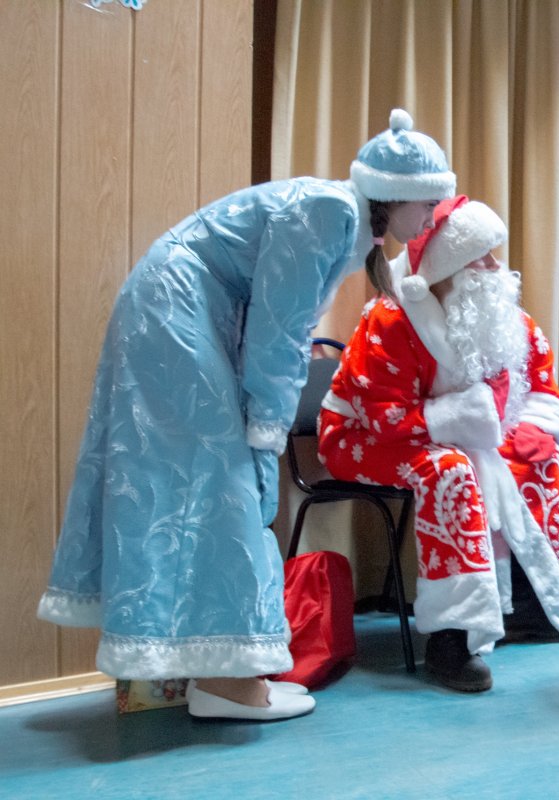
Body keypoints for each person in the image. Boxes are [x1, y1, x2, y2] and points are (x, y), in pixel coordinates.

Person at [37, 108, 456, 721]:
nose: (431, 218)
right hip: (176, 308)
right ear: (397, 196)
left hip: (179, 306)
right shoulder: (330, 211)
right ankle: (229, 685)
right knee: (222, 480)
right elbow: (281, 328)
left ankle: (221, 675)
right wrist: (268, 421)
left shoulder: (343, 220)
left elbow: (278, 320)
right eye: (428, 203)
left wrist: (264, 412)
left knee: (205, 480)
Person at [318, 196, 559, 693]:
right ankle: (452, 636)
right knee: (450, 470)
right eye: (482, 257)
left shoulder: (509, 321)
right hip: (361, 437)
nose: (497, 268)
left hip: (460, 437)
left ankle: (534, 601)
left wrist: (536, 429)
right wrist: (466, 422)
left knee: (540, 459)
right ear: (447, 266)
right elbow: (383, 416)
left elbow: (541, 386)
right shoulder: (390, 320)